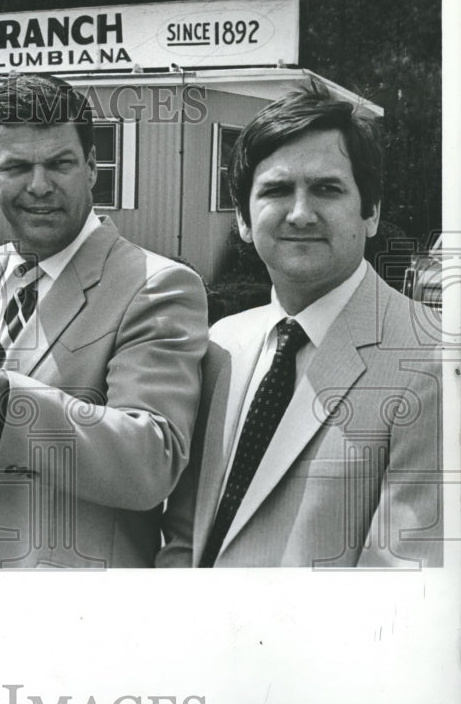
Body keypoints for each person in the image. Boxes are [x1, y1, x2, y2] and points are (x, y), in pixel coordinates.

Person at [0, 73, 209, 568]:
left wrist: (1, 400)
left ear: (93, 168)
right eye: (17, 167)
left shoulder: (158, 286)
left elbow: (151, 461)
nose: (40, 186)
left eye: (60, 164)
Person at [159, 82, 443, 568]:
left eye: (327, 188)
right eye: (275, 189)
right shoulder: (221, 345)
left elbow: (399, 586)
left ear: (370, 212)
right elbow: (184, 538)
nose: (300, 212)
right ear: (245, 221)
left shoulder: (432, 359)